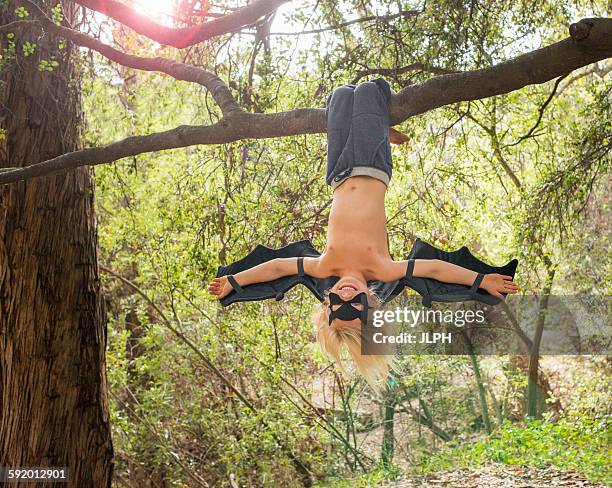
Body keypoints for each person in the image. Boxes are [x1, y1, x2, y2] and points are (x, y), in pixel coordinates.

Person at [208, 78, 518, 390]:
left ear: (326, 303)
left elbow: (275, 268)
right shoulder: (383, 268)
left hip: (337, 173)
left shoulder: (324, 266)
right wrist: (482, 280)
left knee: (341, 96)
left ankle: (381, 128)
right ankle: (380, 128)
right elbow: (436, 269)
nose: (344, 297)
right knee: (371, 90)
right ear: (372, 305)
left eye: (335, 305)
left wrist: (234, 281)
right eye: (353, 307)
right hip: (372, 166)